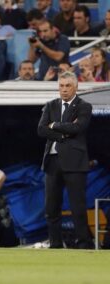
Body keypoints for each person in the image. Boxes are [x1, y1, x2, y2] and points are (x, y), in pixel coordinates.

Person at [37, 71, 94, 249]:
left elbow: (79, 127)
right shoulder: (50, 105)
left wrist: (54, 125)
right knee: (51, 207)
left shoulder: (84, 106)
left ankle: (84, 243)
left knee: (78, 206)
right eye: (61, 86)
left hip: (75, 162)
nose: (64, 90)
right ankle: (55, 244)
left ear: (75, 87)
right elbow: (41, 130)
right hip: (52, 162)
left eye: (68, 86)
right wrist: (63, 134)